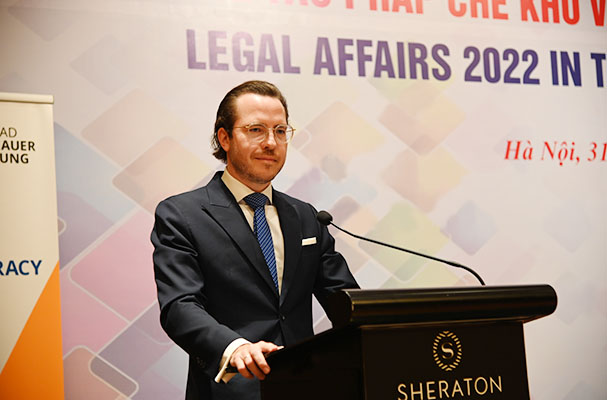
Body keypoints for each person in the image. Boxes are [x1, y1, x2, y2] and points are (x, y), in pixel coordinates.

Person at [151, 80, 359, 399]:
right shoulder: (183, 215)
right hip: (229, 390)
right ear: (225, 138)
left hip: (305, 386)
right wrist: (234, 348)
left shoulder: (306, 217)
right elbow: (180, 306)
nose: (271, 143)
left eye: (280, 131)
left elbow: (344, 299)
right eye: (256, 130)